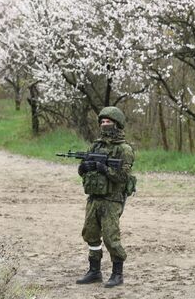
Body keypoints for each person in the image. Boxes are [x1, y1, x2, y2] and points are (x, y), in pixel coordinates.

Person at [76, 106, 135, 288]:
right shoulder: (96, 146)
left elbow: (123, 177)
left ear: (117, 124)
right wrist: (84, 168)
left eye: (108, 122)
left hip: (112, 199)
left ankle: (118, 274)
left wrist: (105, 169)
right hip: (94, 198)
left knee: (111, 237)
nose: (104, 124)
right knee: (90, 233)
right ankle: (95, 271)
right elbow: (83, 170)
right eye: (102, 122)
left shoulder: (124, 150)